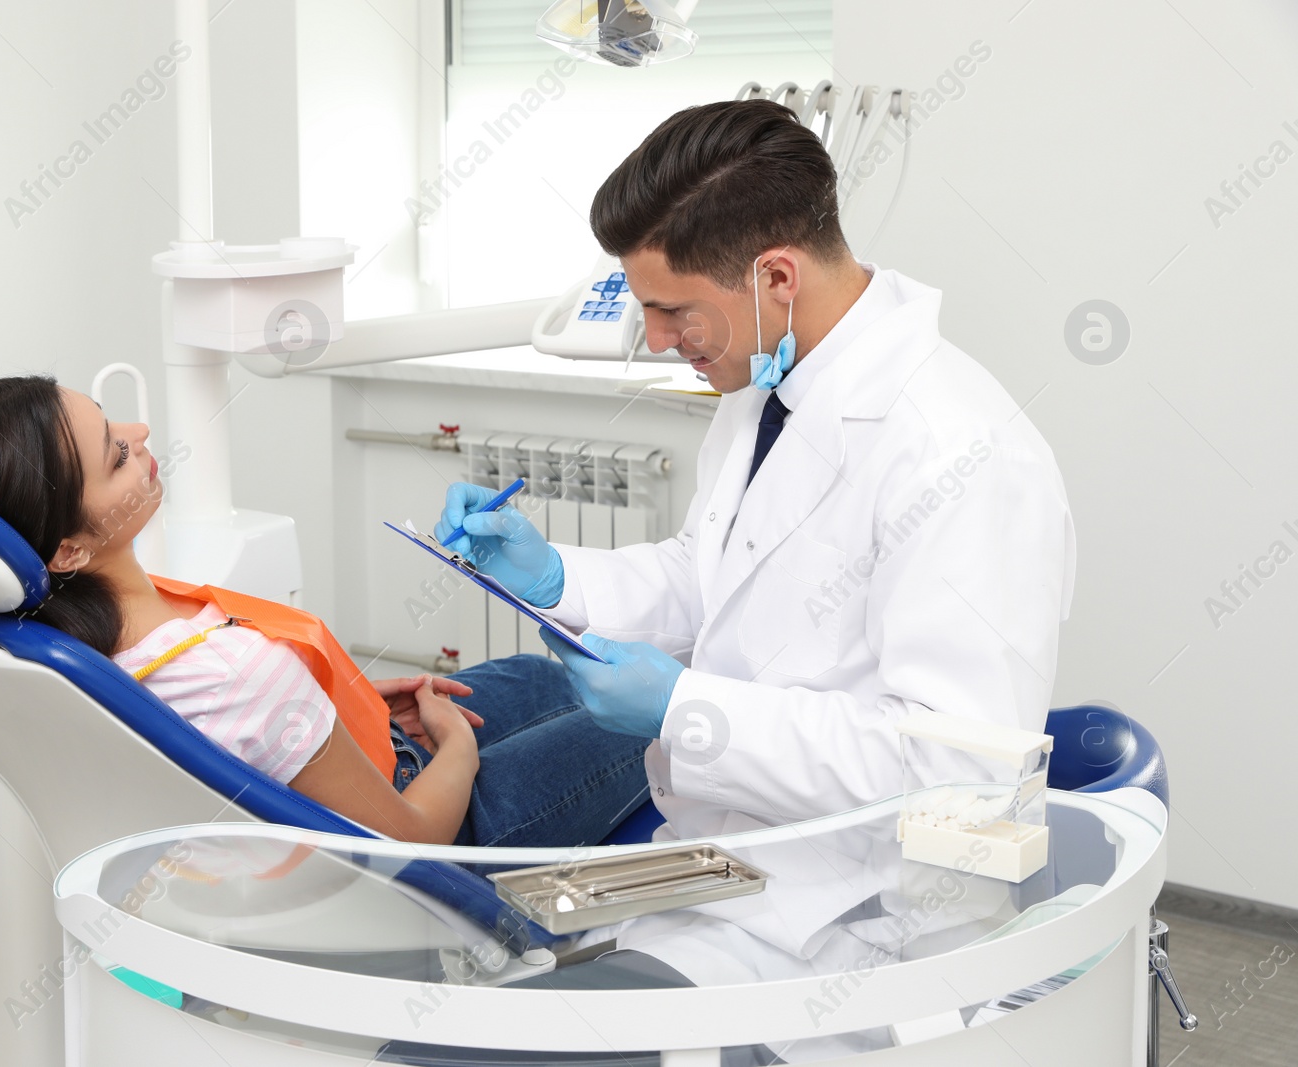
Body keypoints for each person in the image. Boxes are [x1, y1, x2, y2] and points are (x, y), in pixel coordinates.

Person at [434, 98, 1076, 998]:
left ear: (775, 275)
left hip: (860, 919)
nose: (654, 340)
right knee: (485, 996)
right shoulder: (765, 390)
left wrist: (685, 709)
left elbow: (956, 775)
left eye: (673, 310)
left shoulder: (961, 454)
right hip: (724, 863)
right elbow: (712, 579)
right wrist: (553, 573)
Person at [0, 375, 650, 848]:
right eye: (115, 453)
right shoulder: (230, 673)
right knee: (653, 722)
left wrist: (332, 708)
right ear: (65, 550)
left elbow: (243, 733)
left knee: (538, 674)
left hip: (353, 764)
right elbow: (411, 835)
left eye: (114, 423)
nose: (142, 434)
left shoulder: (38, 636)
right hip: (436, 832)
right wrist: (456, 747)